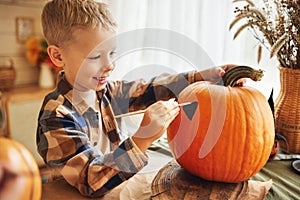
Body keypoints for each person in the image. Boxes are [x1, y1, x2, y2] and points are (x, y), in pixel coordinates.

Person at [37, 0, 239, 197]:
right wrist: (143, 136)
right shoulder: (56, 116)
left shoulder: (104, 92)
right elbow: (91, 180)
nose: (110, 65)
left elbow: (150, 89)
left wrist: (201, 76)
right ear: (58, 57)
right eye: (95, 56)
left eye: (112, 53)